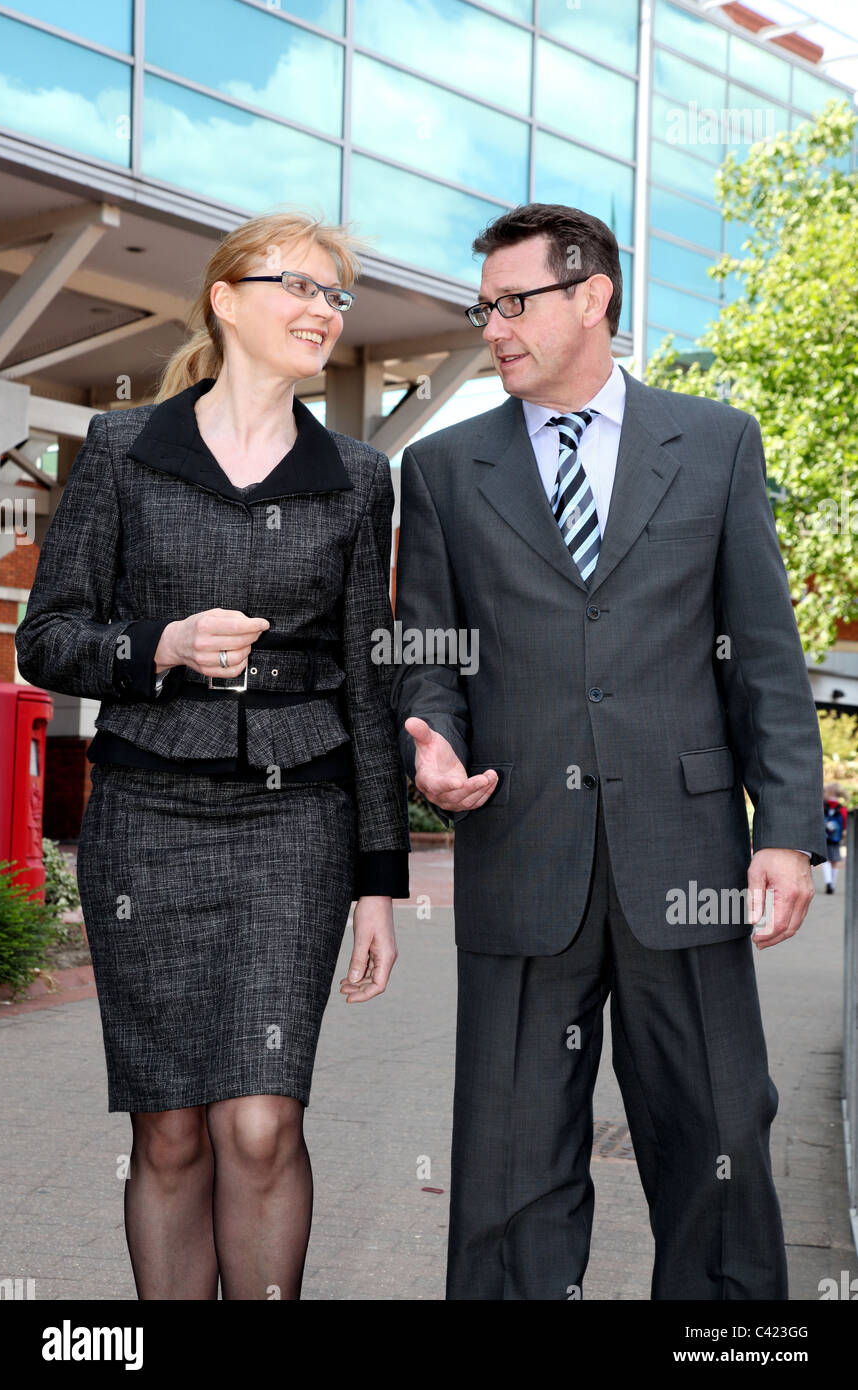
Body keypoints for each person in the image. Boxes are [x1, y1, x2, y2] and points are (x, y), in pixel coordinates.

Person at [391, 203, 827, 1301]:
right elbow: (428, 649)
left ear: (593, 297)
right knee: (507, 1153)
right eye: (480, 305)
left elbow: (763, 658)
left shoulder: (716, 441)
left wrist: (781, 829)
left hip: (681, 853)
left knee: (719, 1131)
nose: (490, 326)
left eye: (512, 302)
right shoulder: (441, 468)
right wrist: (430, 741)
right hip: (519, 847)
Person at [15, 211, 410, 1301]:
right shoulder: (124, 451)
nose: (322, 310)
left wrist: (382, 882)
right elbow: (45, 637)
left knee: (258, 1120)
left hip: (297, 820)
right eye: (300, 285)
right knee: (174, 1133)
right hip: (147, 820)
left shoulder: (357, 474)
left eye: (337, 296)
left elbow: (370, 680)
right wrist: (163, 645)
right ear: (227, 297)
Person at [823, 781, 848, 893]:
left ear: (829, 792)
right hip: (836, 837)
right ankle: (832, 884)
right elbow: (844, 823)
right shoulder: (841, 808)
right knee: (834, 861)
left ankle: (828, 881)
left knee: (825, 860)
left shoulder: (824, 805)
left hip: (824, 836)